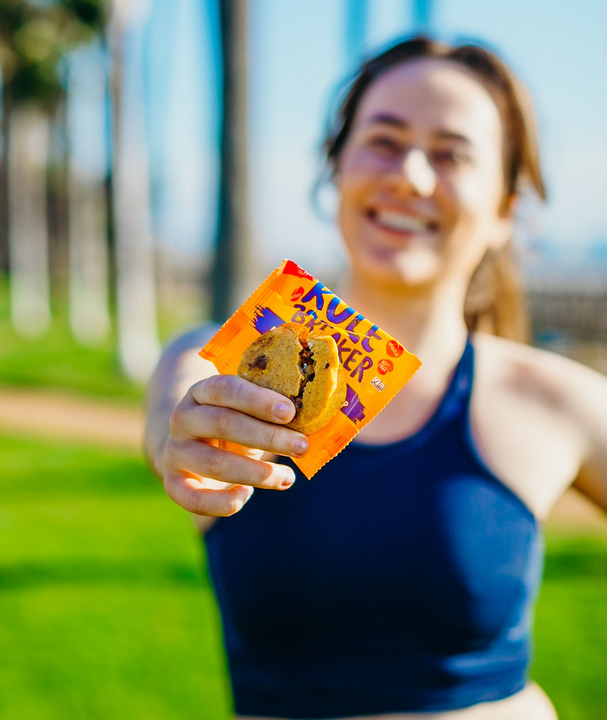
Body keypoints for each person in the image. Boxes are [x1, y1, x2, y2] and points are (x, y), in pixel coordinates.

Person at [144, 37, 607, 720]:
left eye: (452, 153)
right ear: (337, 167)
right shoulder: (221, 363)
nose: (410, 177)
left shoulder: (558, 401)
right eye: (384, 141)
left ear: (506, 206)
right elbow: (173, 413)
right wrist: (181, 436)